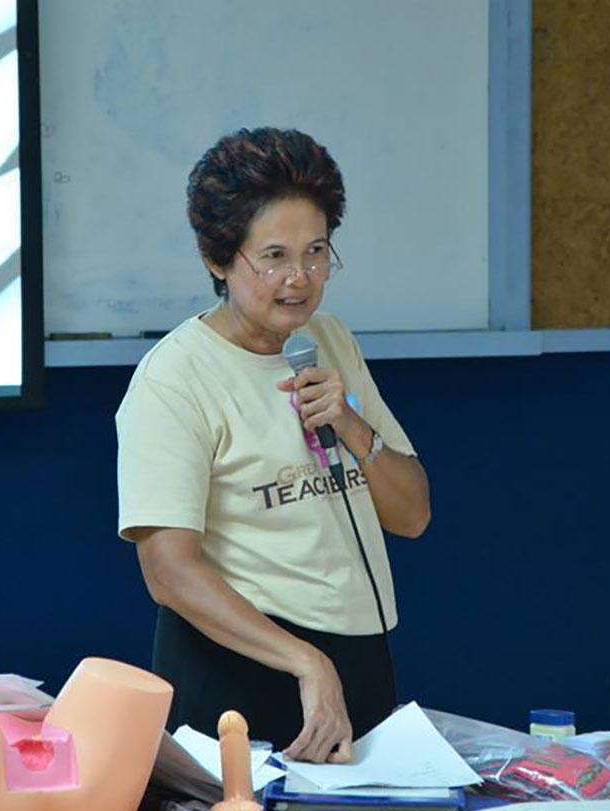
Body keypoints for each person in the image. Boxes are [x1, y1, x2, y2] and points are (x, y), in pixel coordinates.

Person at [116, 127, 430, 763]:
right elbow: (168, 572)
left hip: (356, 658)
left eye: (316, 252)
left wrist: (350, 424)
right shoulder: (174, 377)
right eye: (275, 257)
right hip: (240, 669)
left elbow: (413, 515)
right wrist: (305, 662)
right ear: (218, 259)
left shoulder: (329, 341)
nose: (300, 279)